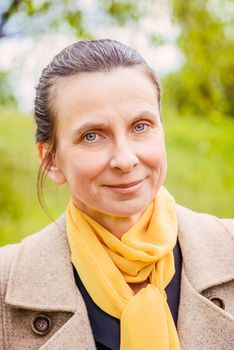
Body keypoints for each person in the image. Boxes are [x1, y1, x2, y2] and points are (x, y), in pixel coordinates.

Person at [0, 39, 233, 350]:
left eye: (140, 126)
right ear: (51, 160)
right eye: (92, 135)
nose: (125, 159)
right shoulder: (5, 284)